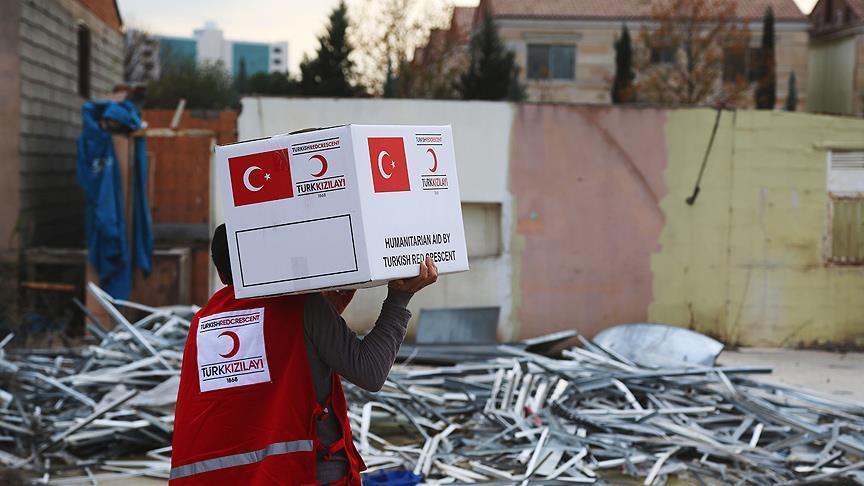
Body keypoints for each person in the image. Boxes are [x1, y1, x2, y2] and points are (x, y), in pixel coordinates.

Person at [170, 224, 438, 485]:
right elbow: (370, 372)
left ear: (221, 274)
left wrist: (326, 310)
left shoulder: (204, 321)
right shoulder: (299, 306)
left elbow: (277, 353)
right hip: (299, 473)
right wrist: (399, 299)